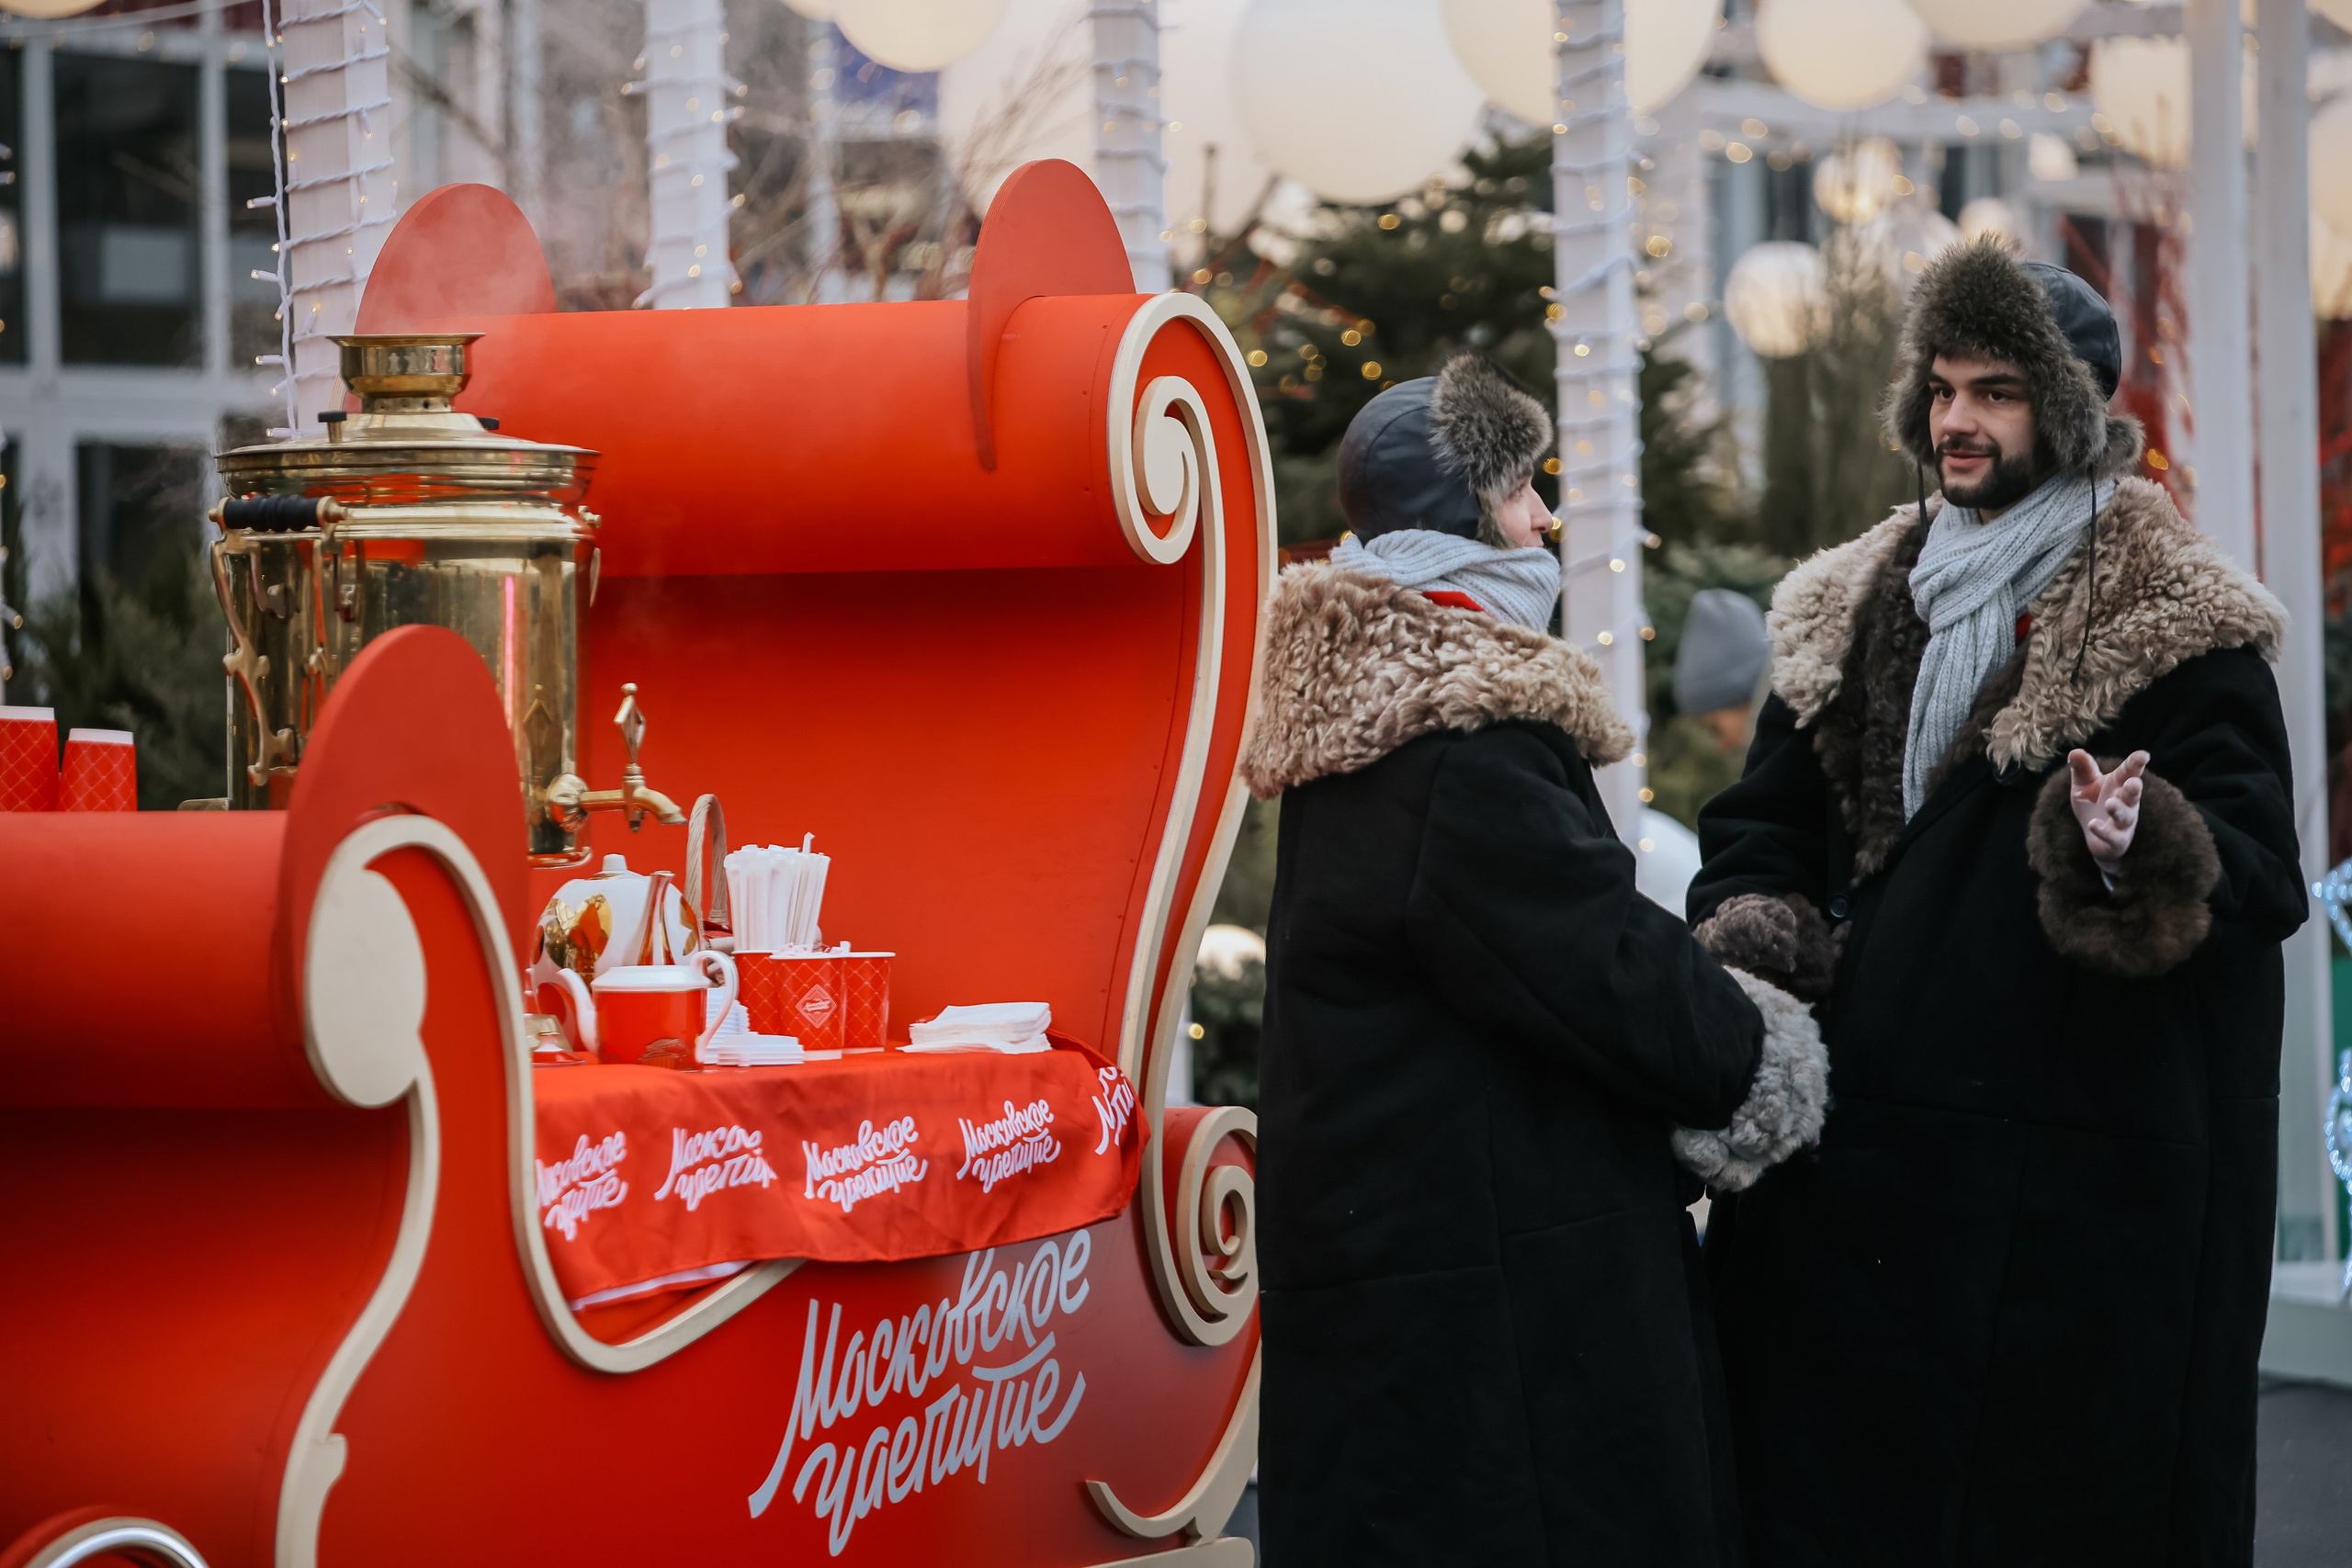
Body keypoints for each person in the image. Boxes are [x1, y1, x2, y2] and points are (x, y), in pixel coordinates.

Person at [1689, 240, 2305, 1563]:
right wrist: (1761, 946)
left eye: (1997, 393)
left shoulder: (2177, 619)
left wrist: (2142, 839)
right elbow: (1759, 829)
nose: (1956, 420)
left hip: (2066, 1207)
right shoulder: (1850, 602)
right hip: (1850, 1183)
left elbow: (2262, 871)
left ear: (2072, 417)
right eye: (1946, 387)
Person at [1243, 352, 1829, 1566]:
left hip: (1413, 1263)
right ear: (1464, 521)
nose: (1546, 518)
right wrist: (1763, 1050)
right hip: (1495, 1294)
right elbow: (1601, 967)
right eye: (1520, 494)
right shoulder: (1460, 739)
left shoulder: (1365, 714)